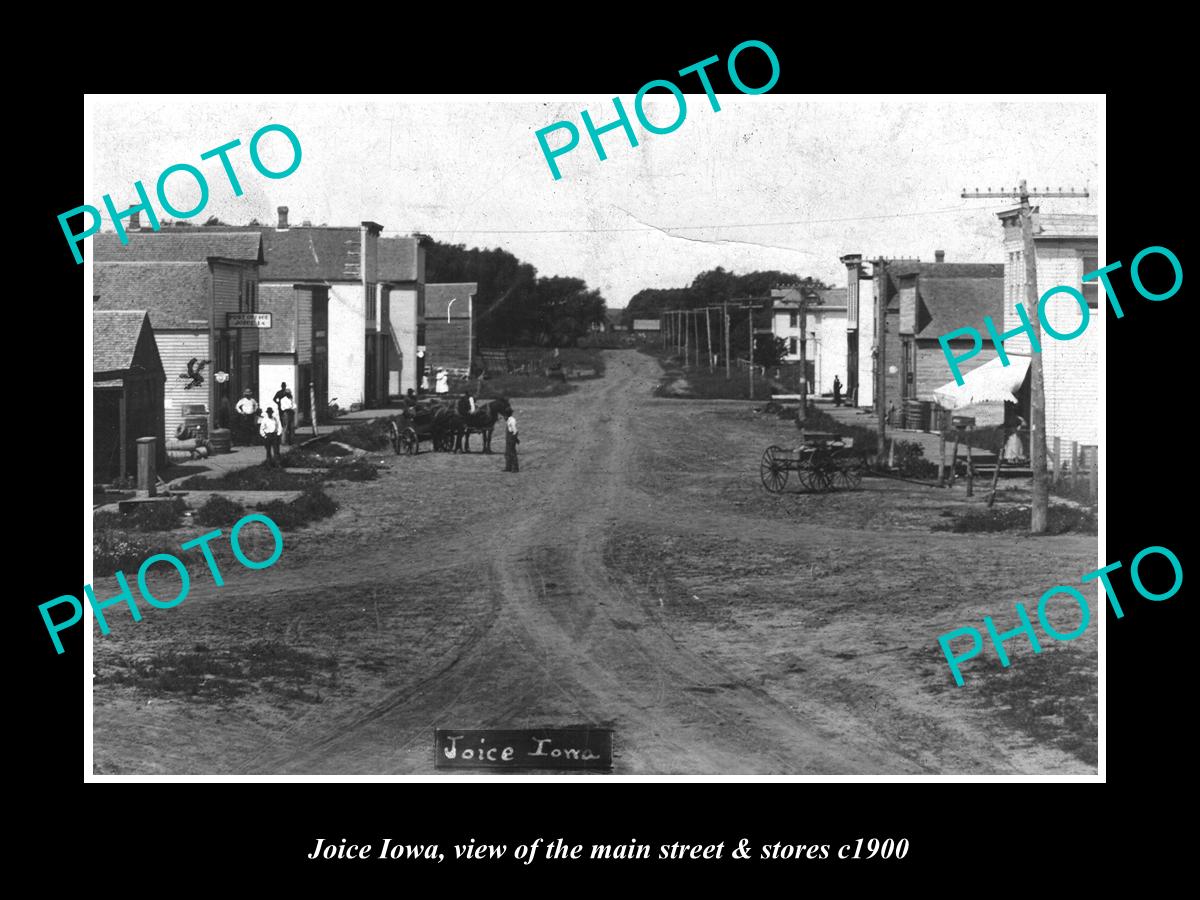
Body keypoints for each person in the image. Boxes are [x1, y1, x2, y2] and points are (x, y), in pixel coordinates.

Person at [503, 408, 520, 473]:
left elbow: (515, 430)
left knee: (512, 453)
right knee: (507, 453)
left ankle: (515, 468)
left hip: (511, 438)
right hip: (509, 438)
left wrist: (514, 439)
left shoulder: (512, 420)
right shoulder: (509, 420)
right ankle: (508, 467)